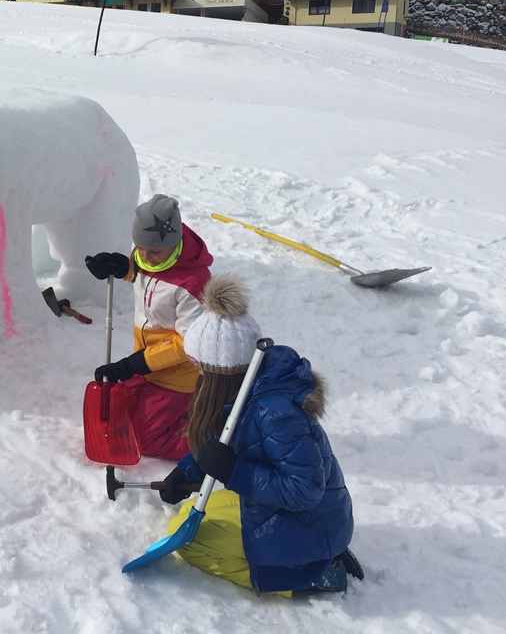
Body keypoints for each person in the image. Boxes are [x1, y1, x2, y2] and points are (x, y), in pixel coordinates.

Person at [156, 275, 359, 595]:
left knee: (192, 543)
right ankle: (307, 557)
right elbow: (224, 436)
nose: (198, 375)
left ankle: (307, 575)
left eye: (200, 368)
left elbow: (306, 490)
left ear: (217, 372)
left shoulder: (276, 414)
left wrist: (234, 471)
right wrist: (186, 472)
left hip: (309, 520)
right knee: (187, 513)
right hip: (294, 515)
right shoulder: (247, 387)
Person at [85, 194, 212, 459]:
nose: (147, 257)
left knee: (143, 440)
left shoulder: (193, 283)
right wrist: (122, 266)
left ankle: (212, 435)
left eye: (154, 251)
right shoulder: (148, 254)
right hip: (147, 365)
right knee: (119, 416)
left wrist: (134, 365)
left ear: (175, 243)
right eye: (140, 249)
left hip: (177, 375)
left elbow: (188, 342)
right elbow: (146, 273)